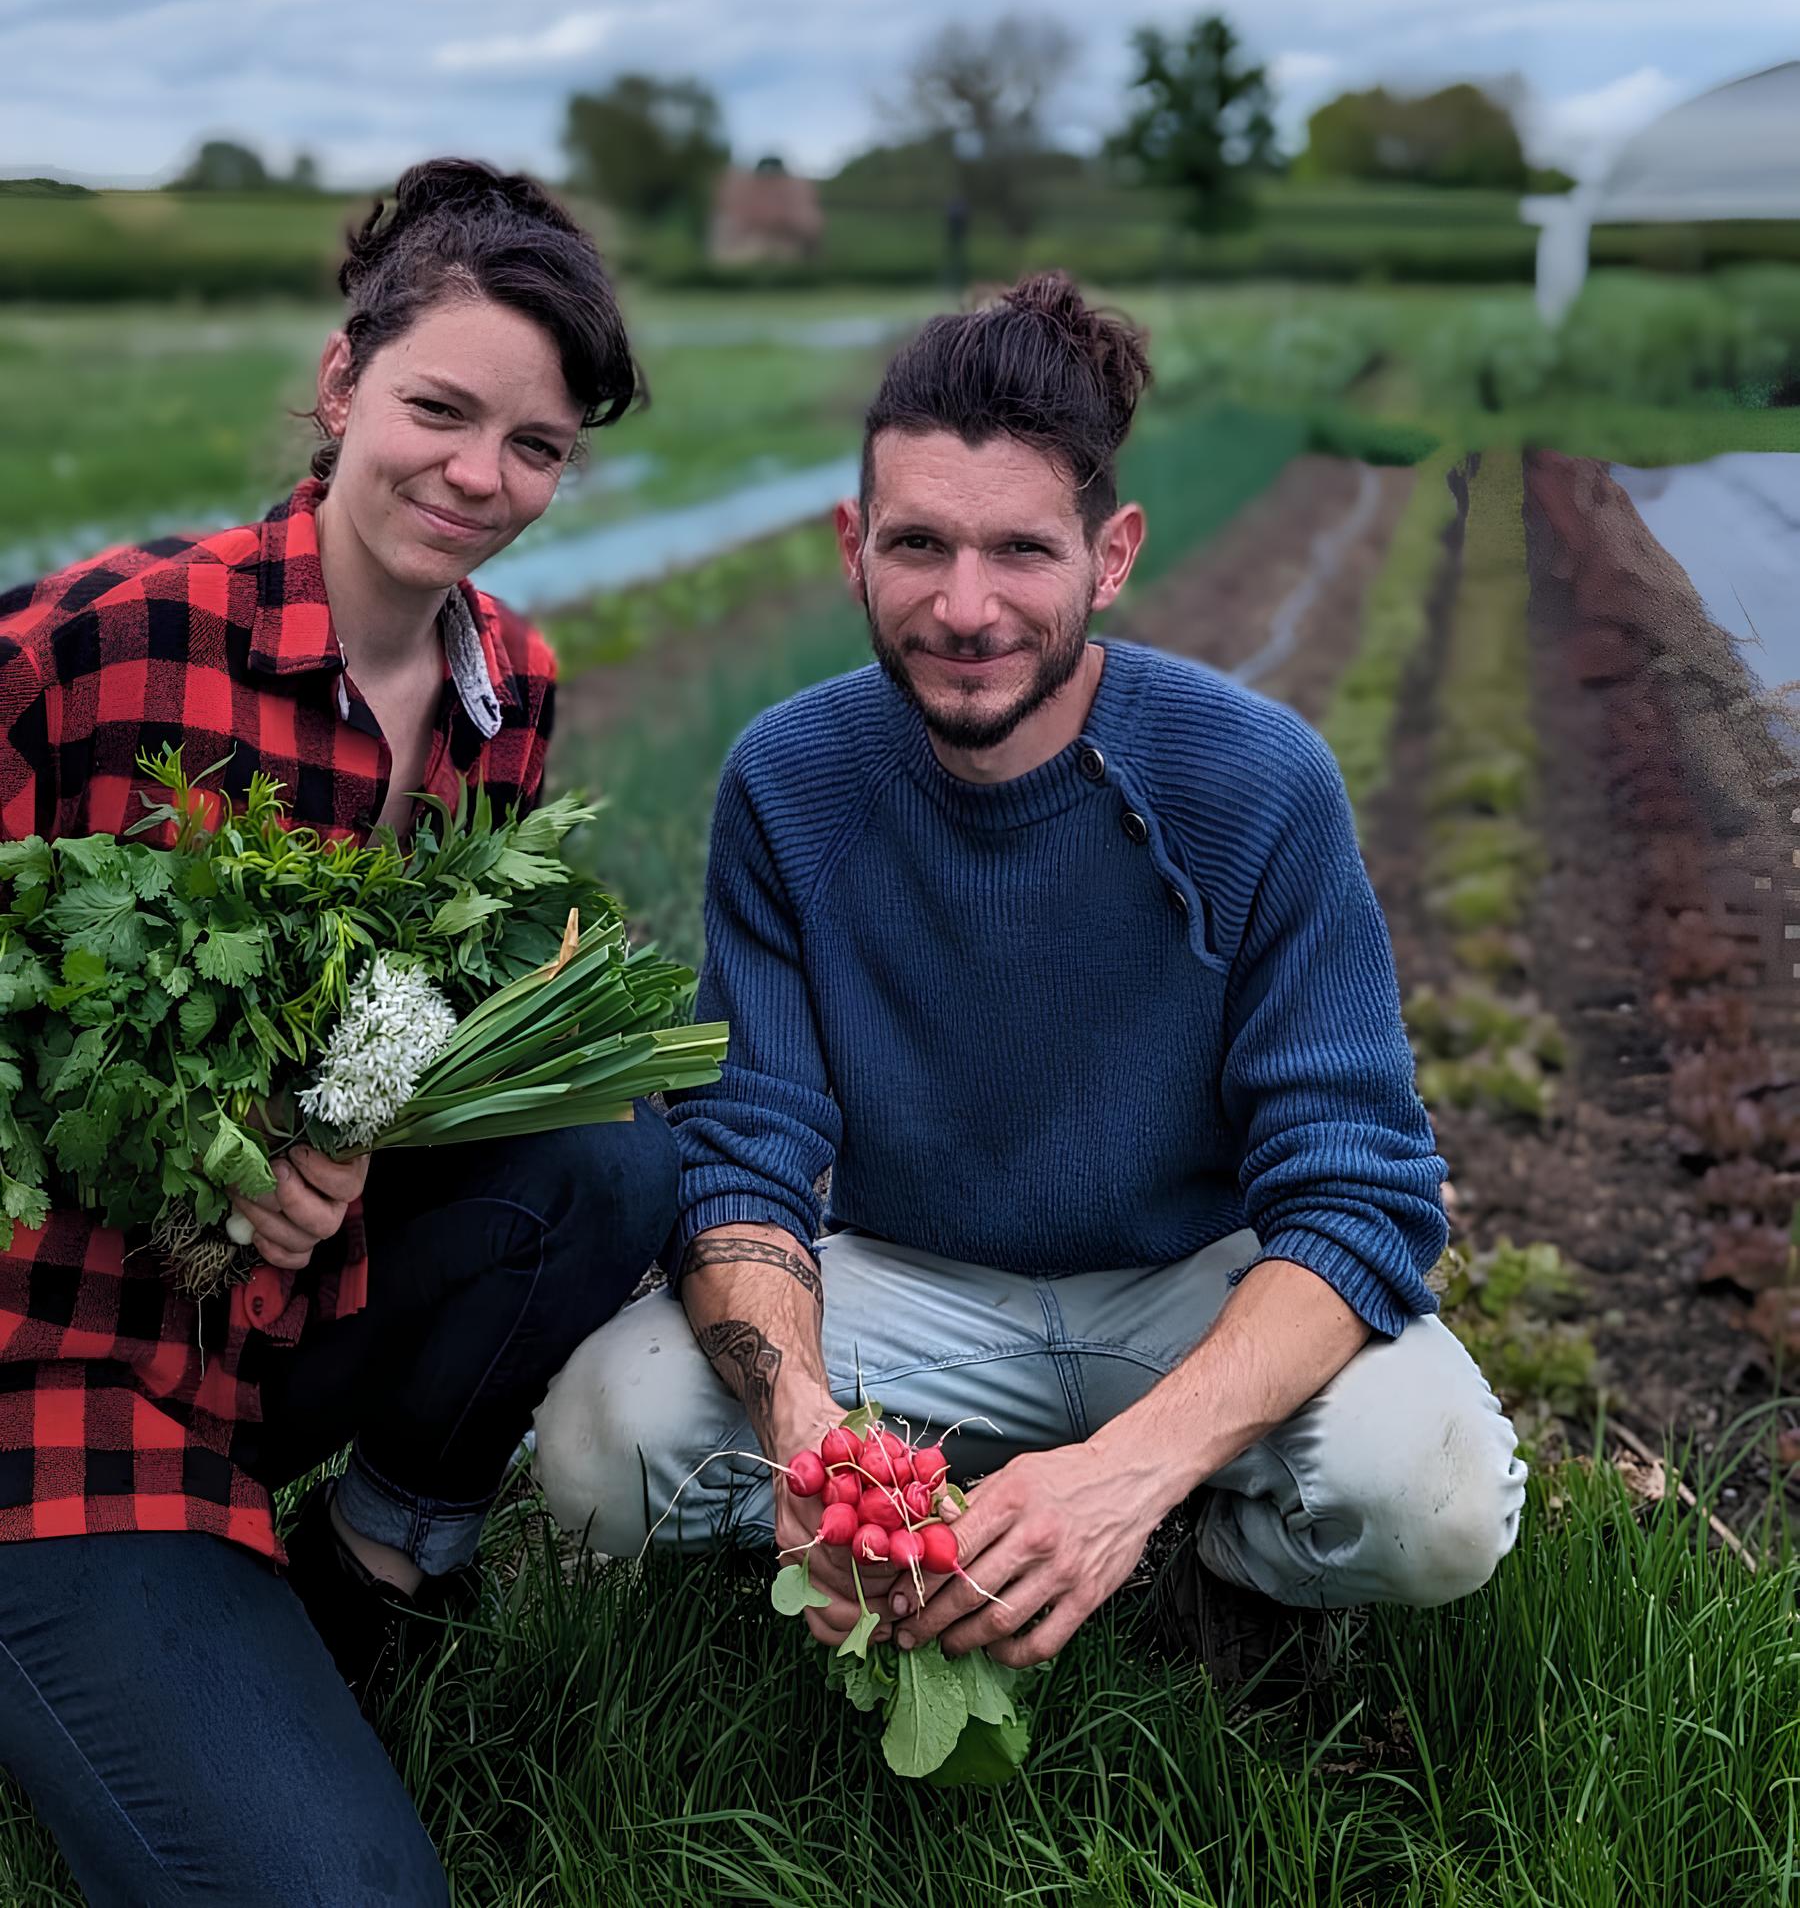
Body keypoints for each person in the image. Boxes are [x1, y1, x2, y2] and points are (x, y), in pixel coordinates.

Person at [536, 271, 1527, 1680]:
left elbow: (1357, 1193)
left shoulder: (1255, 779)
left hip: (1193, 1278)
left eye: (1021, 550)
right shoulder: (791, 781)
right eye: (919, 543)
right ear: (850, 545)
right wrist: (807, 1433)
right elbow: (746, 1155)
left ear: (1110, 553)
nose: (965, 604)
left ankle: (1212, 1553)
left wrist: (1123, 1476)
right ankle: (929, 1526)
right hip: (913, 1283)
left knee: (1426, 1500)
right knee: (596, 1446)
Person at [0, 161, 677, 1906]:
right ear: (340, 383)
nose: (481, 477)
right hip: (57, 1373)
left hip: (275, 1326)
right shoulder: (104, 650)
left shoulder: (502, 684)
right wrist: (187, 1141)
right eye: (440, 409)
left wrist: (343, 1132)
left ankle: (367, 1572)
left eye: (535, 447)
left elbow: (408, 1003)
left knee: (613, 1156)